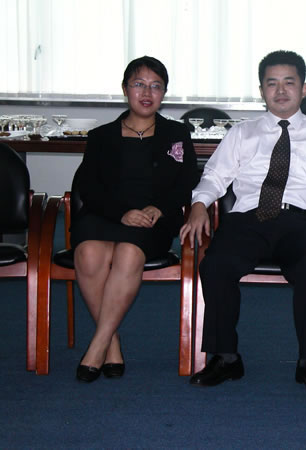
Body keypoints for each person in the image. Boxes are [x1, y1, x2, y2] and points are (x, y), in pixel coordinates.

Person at [180, 50, 306, 393]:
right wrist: (200, 204)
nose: (280, 90)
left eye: (289, 82)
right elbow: (214, 176)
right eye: (271, 83)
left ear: (303, 89)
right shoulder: (242, 133)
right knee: (215, 264)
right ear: (261, 90)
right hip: (248, 220)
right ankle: (226, 357)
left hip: (301, 221)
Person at [72, 56, 199, 382]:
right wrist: (121, 213)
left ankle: (97, 346)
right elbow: (89, 187)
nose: (147, 92)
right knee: (88, 253)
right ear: (125, 89)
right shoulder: (101, 136)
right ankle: (110, 342)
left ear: (164, 93)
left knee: (128, 253)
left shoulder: (176, 133)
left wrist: (160, 208)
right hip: (106, 216)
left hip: (152, 222)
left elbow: (186, 182)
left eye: (156, 86)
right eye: (139, 84)